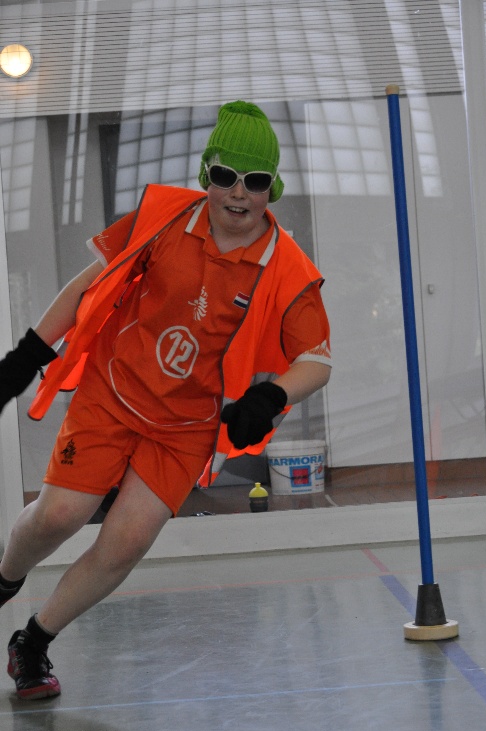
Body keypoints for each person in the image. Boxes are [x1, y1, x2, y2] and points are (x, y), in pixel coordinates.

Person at [0, 100, 332, 700]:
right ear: (207, 174)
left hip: (184, 426)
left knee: (126, 542)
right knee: (59, 516)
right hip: (112, 391)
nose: (239, 193)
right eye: (226, 176)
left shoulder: (285, 265)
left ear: (271, 189)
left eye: (255, 181)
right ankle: (5, 576)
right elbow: (87, 287)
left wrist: (270, 396)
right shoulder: (162, 217)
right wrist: (27, 355)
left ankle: (33, 641)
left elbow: (318, 359)